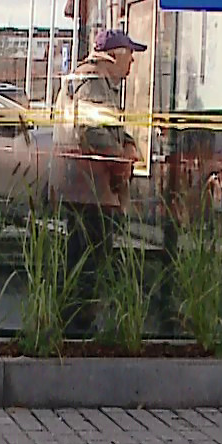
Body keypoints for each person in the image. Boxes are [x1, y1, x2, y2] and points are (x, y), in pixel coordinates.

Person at [56, 28, 144, 283]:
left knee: (85, 251)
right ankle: (80, 315)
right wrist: (120, 161)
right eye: (130, 54)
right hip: (89, 186)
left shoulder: (98, 81)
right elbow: (91, 131)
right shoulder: (93, 80)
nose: (133, 61)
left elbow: (106, 125)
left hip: (87, 185)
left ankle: (78, 311)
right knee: (90, 253)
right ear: (114, 56)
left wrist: (127, 143)